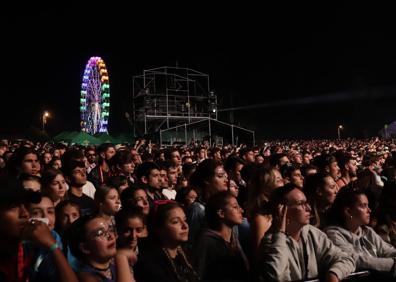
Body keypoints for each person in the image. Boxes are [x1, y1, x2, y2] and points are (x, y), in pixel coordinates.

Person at [257, 185, 355, 281]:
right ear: (282, 210)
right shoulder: (271, 242)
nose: (308, 208)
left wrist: (334, 273)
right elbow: (276, 276)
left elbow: (346, 259)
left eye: (306, 203)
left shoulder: (312, 233)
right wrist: (280, 234)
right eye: (301, 203)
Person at [0, 179, 77, 282]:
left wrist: (53, 246)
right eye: (13, 206)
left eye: (25, 205)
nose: (24, 214)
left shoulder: (27, 248)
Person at [325, 188, 396, 279]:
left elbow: (387, 250)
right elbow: (356, 260)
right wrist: (393, 263)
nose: (369, 210)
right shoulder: (333, 234)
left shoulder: (367, 231)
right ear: (348, 211)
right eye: (363, 206)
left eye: (368, 205)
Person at [134, 201, 199, 282]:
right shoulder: (151, 264)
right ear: (159, 229)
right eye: (175, 222)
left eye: (184, 220)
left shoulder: (184, 254)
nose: (185, 226)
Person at [193, 192, 249, 281]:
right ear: (221, 213)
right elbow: (197, 274)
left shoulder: (233, 240)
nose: (241, 210)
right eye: (235, 207)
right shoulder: (206, 241)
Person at [69, 214, 136, 282]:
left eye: (110, 230)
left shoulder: (114, 268)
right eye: (100, 233)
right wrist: (121, 257)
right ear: (85, 248)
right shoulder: (85, 277)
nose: (111, 236)